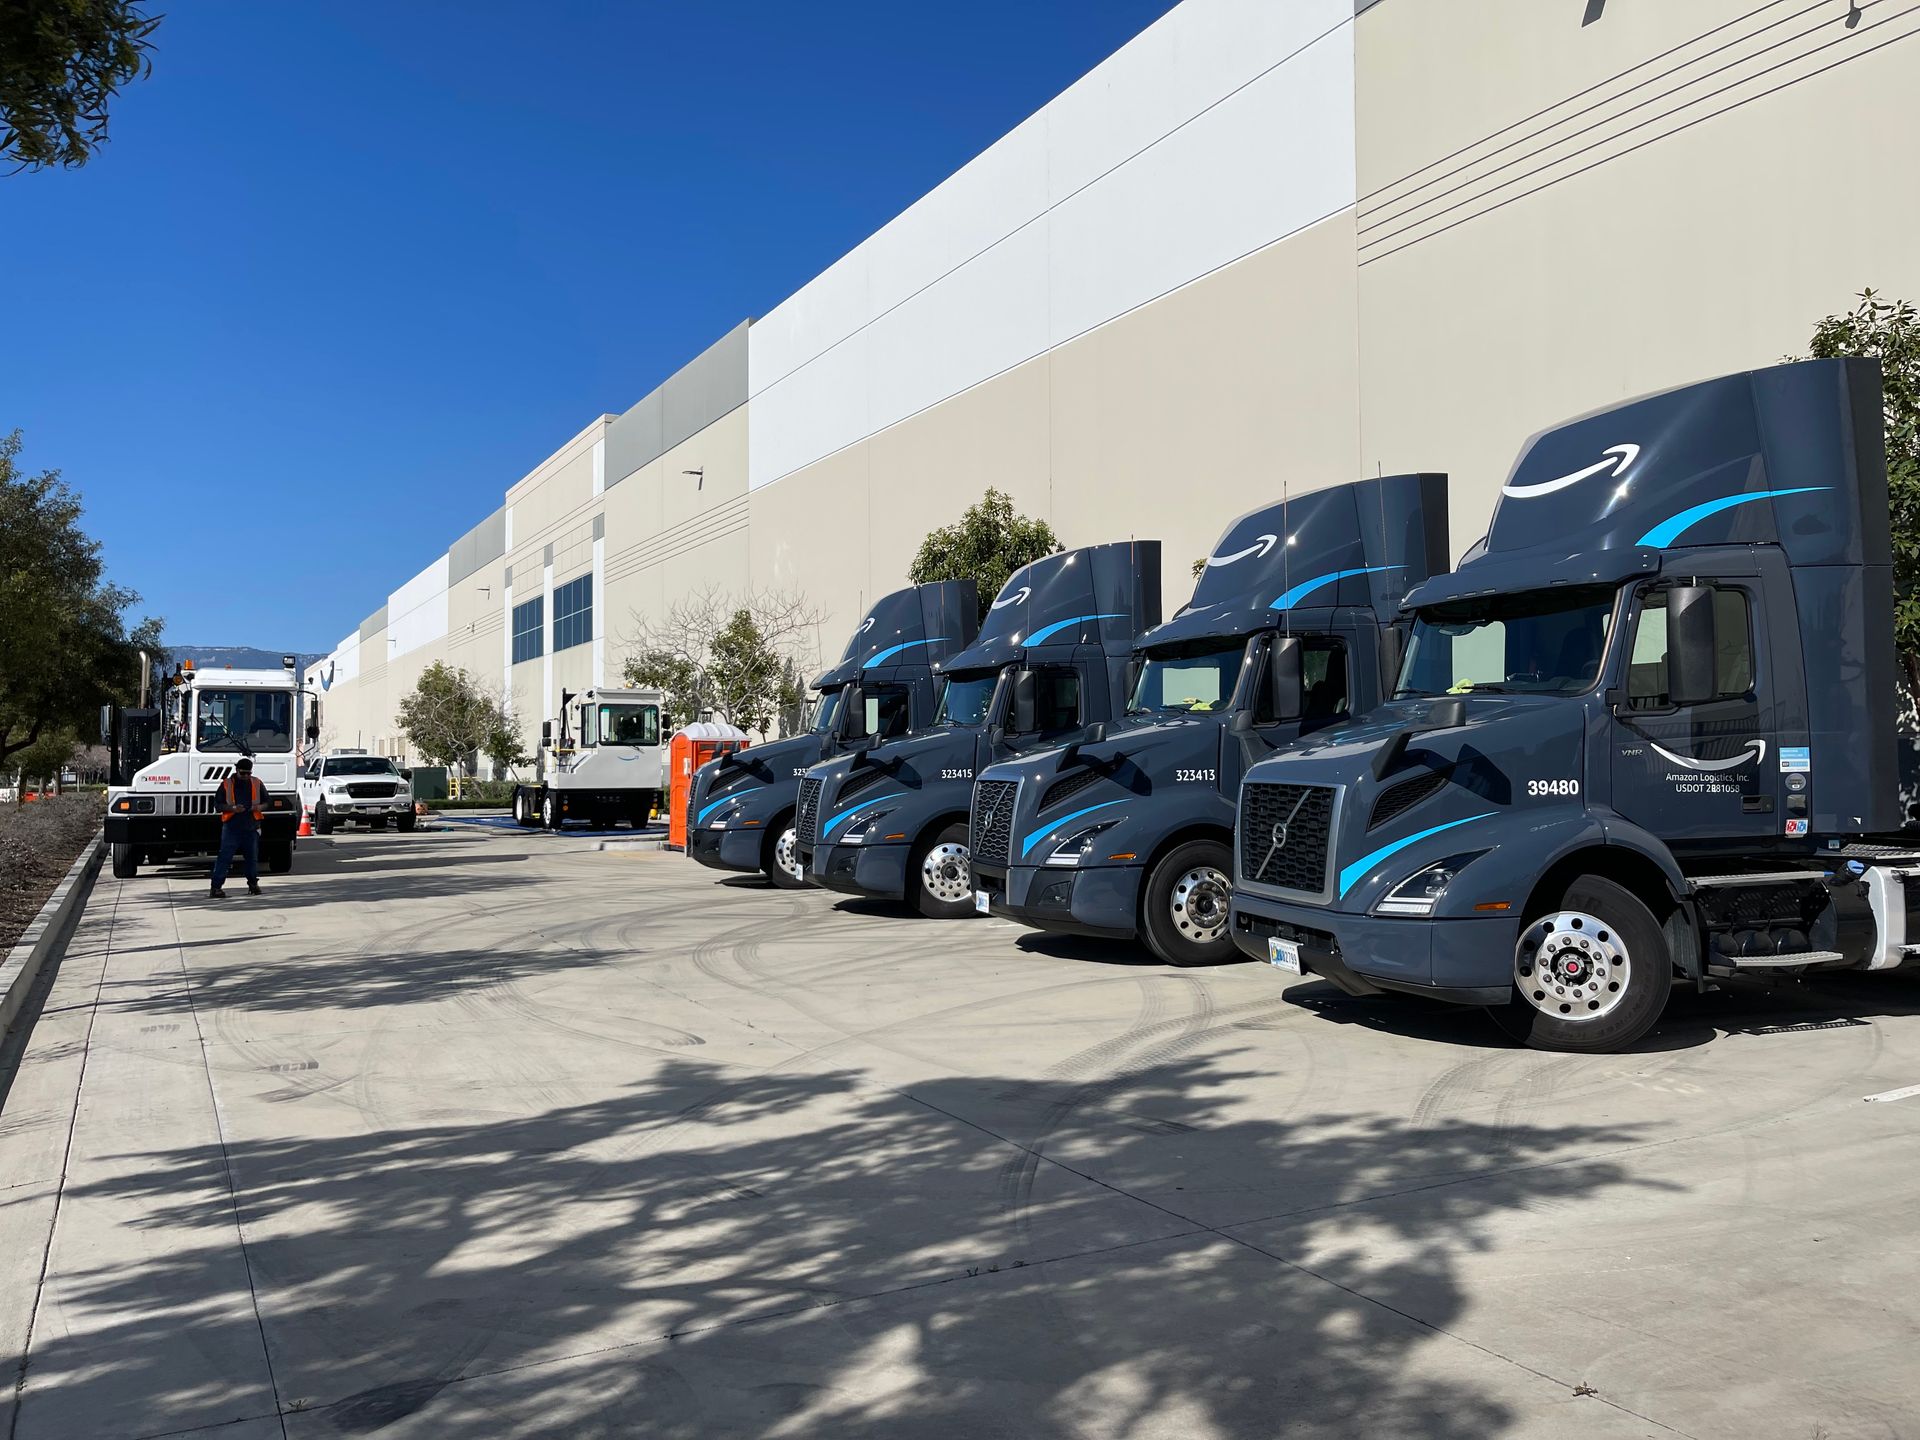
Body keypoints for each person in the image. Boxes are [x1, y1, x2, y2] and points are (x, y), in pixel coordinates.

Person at [212, 757, 265, 898]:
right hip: (231, 827)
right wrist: (233, 808)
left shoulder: (257, 783)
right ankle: (216, 887)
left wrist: (258, 807)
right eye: (243, 773)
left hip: (251, 826)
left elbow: (267, 801)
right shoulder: (226, 784)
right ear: (237, 771)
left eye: (248, 773)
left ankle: (253, 884)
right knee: (225, 857)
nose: (246, 776)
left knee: (252, 858)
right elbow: (217, 805)